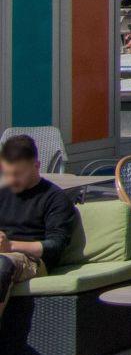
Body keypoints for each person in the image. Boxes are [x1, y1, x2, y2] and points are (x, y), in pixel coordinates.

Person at [0, 134, 78, 313]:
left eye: (18, 174)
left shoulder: (55, 198)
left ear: (36, 166)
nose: (11, 179)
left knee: (1, 264)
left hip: (31, 259)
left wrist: (10, 245)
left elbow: (55, 246)